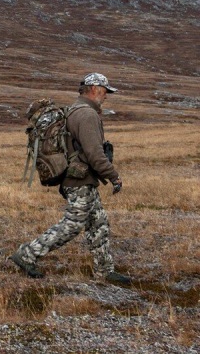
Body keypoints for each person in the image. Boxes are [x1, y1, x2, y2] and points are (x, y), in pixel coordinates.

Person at [10, 72, 131, 285]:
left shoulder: (75, 110)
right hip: (79, 180)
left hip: (79, 178)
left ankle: (104, 270)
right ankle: (27, 254)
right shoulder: (87, 115)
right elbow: (95, 153)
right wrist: (114, 176)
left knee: (98, 221)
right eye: (105, 92)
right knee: (73, 224)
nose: (106, 96)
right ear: (94, 89)